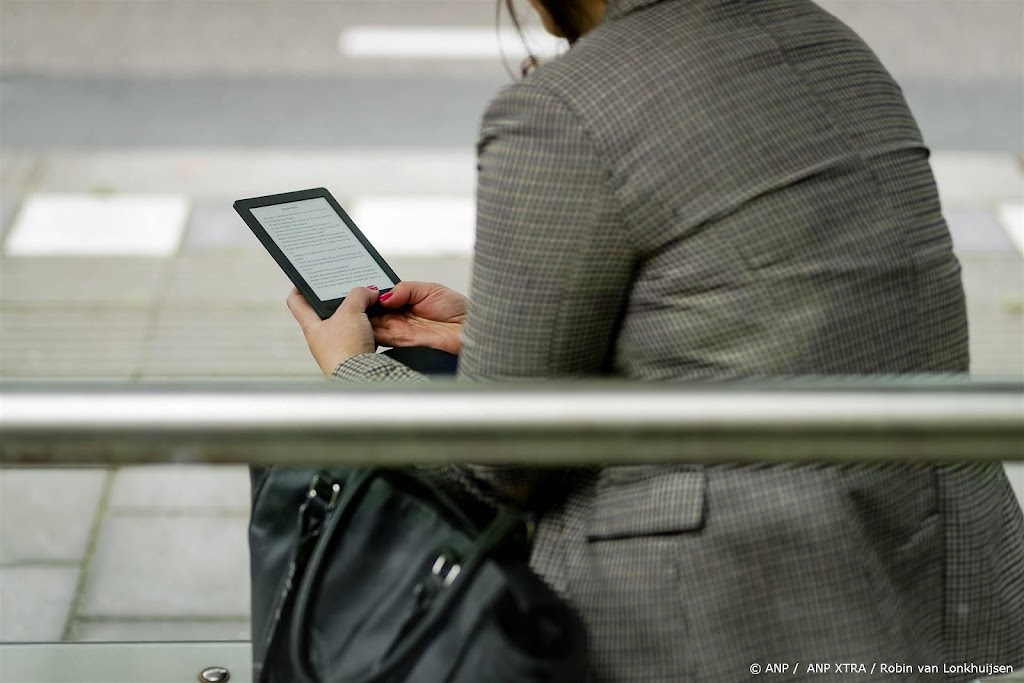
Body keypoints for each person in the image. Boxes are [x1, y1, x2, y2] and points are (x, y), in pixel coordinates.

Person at [285, 0, 1024, 680]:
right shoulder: (829, 42)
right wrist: (499, 332)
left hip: (730, 615)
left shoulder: (565, 107)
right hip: (943, 583)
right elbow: (771, 318)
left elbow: (498, 461)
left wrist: (356, 371)